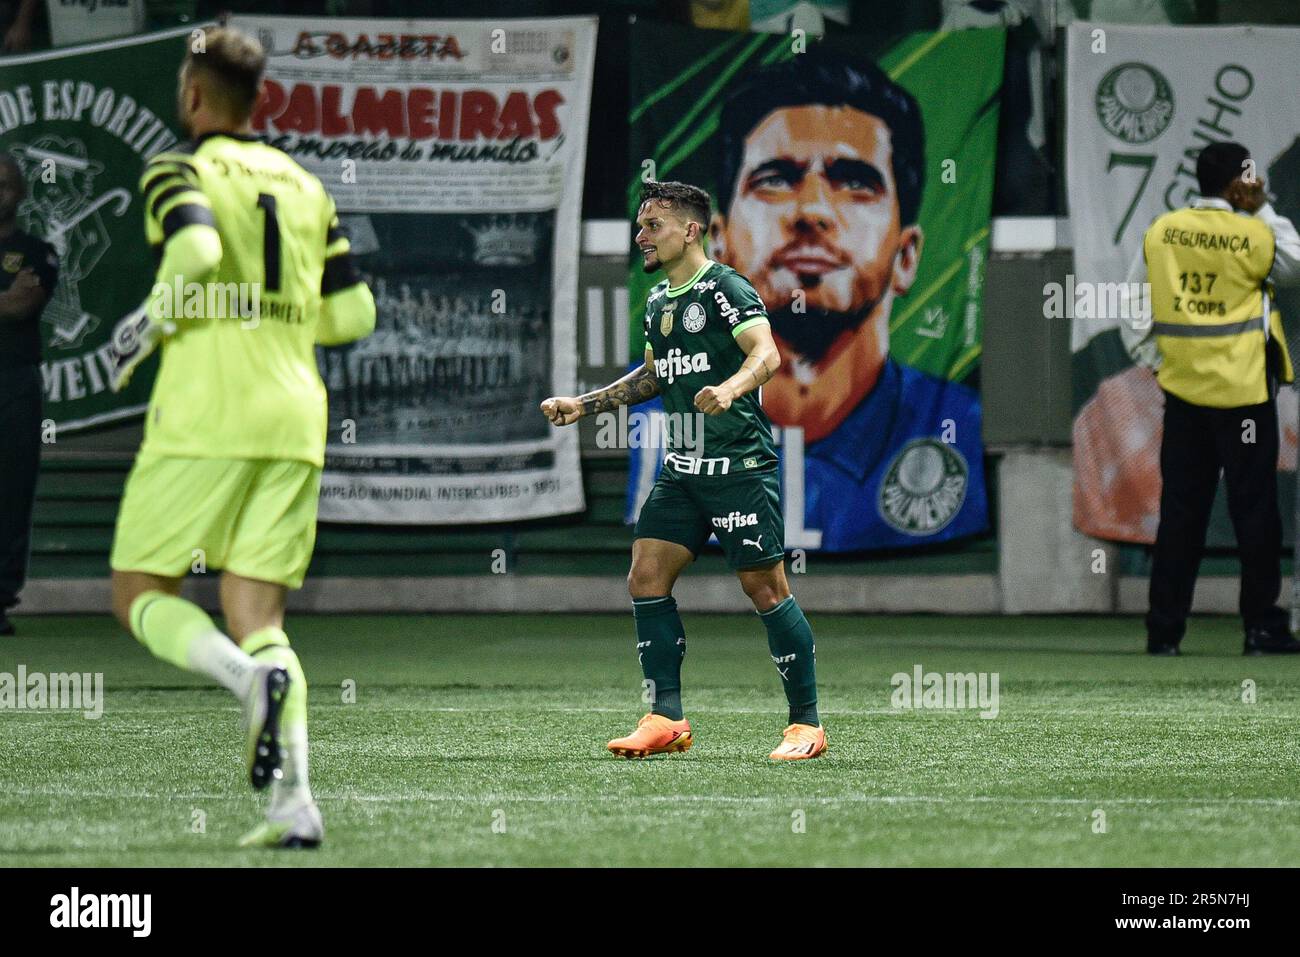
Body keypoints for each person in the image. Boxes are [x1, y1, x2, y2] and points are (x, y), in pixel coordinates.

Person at [107, 27, 376, 846]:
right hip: (297, 416)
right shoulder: (304, 185)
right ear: (258, 100)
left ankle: (244, 681)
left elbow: (195, 246)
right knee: (260, 612)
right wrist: (275, 319)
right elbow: (354, 315)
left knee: (139, 592)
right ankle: (294, 806)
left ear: (193, 95)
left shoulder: (176, 167)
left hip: (205, 413)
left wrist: (140, 331)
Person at [541, 180, 826, 761]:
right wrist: (585, 404)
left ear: (690, 230)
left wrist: (730, 387)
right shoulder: (657, 304)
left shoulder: (724, 288)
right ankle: (665, 717)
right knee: (645, 577)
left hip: (739, 467)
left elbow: (766, 354)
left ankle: (806, 725)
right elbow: (653, 378)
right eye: (640, 225)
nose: (641, 236)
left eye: (653, 226)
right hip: (682, 472)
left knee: (765, 589)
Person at [708, 47, 986, 548]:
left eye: (855, 182)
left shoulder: (961, 423)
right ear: (718, 245)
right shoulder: (661, 419)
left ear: (906, 256)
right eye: (775, 179)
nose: (812, 211)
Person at [1121, 141, 1300, 656]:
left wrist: (1153, 360)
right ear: (1238, 182)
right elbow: (1294, 264)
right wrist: (1262, 206)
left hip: (1183, 394)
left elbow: (1133, 300)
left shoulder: (1163, 230)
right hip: (1243, 395)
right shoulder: (1253, 231)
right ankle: (1262, 629)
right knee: (1256, 513)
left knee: (1181, 513)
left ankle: (1163, 632)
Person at [0, 154, 58, 636]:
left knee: (12, 493)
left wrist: (10, 300)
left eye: (4, 184)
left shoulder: (38, 252)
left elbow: (21, 308)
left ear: (20, 193)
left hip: (14, 383)